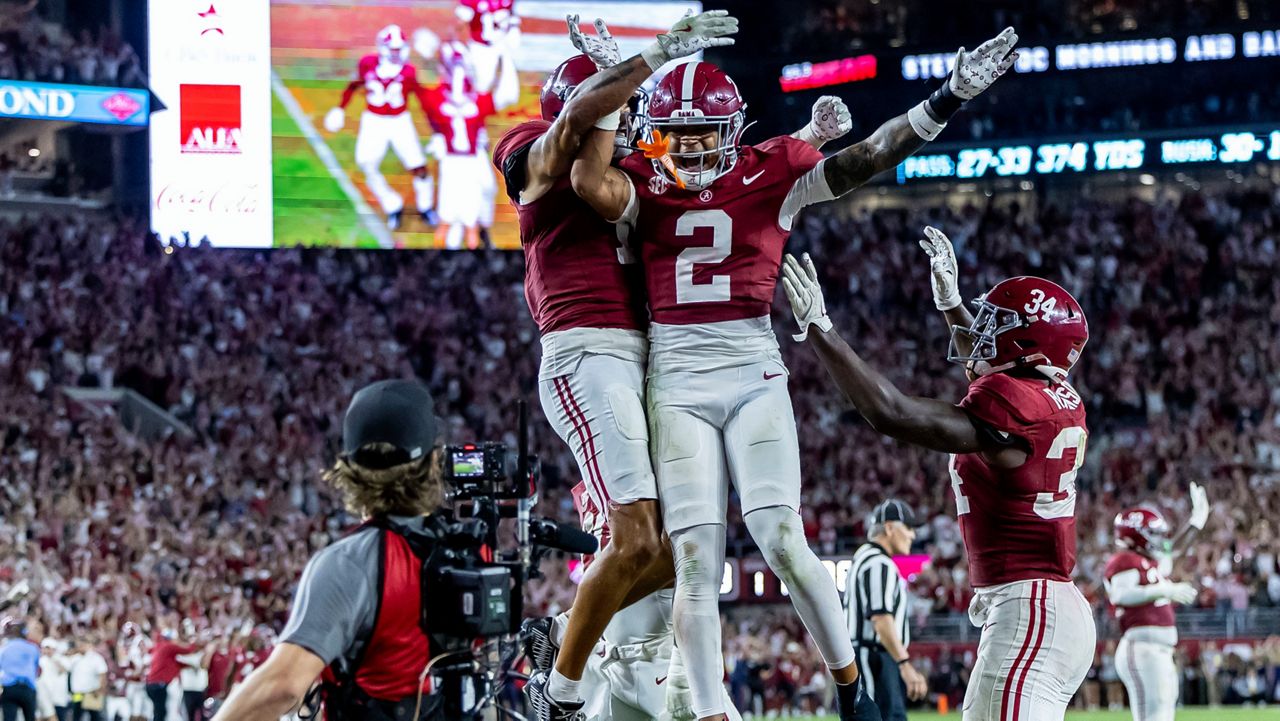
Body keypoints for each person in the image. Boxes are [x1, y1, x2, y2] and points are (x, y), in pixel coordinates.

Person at [570, 25, 1019, 721]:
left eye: (702, 135)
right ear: (655, 133)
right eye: (676, 136)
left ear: (734, 130)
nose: (688, 149)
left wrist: (947, 97)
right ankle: (714, 709)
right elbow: (585, 177)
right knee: (696, 558)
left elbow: (868, 156)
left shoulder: (771, 168)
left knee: (782, 536)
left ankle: (851, 690)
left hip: (752, 368)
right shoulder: (640, 179)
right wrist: (614, 81)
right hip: (678, 379)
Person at [489, 12, 738, 721]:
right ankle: (554, 691)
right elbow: (571, 135)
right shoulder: (537, 152)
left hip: (651, 363)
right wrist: (638, 65)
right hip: (586, 348)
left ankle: (566, 642)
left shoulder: (638, 174)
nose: (626, 129)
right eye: (616, 112)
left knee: (686, 547)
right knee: (634, 535)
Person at [777, 225, 1095, 721]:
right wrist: (951, 306)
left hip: (1030, 606)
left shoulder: (1016, 405)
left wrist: (820, 328)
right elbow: (992, 363)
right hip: (1045, 607)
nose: (983, 331)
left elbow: (893, 413)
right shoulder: (1051, 398)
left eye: (998, 324)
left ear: (1029, 343)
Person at [211, 379, 450, 721]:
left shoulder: (349, 563)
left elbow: (283, 687)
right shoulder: (470, 553)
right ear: (434, 462)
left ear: (349, 469)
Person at [1104, 487, 1211, 721]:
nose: (1160, 539)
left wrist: (1196, 522)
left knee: (1163, 713)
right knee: (1152, 716)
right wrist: (1164, 589)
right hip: (1142, 646)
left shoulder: (1145, 562)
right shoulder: (1125, 559)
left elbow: (1175, 549)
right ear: (1138, 534)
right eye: (1155, 533)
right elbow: (1121, 595)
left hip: (1157, 649)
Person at [323, 25, 436, 231]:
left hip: (400, 120)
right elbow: (355, 84)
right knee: (366, 163)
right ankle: (392, 205)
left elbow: (423, 100)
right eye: (393, 49)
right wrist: (340, 108)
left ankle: (426, 206)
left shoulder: (409, 71)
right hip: (373, 120)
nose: (397, 53)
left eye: (399, 48)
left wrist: (437, 131)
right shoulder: (367, 64)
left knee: (418, 166)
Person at [847, 501, 927, 721]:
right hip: (874, 658)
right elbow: (881, 619)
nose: (912, 535)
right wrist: (904, 664)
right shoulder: (878, 563)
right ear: (890, 527)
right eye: (908, 527)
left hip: (870, 657)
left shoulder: (864, 557)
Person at [143, 629, 194, 721]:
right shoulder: (168, 646)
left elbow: (172, 663)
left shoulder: (158, 646)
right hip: (158, 685)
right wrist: (196, 642)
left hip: (150, 684)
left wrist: (189, 666)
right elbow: (188, 650)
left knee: (159, 711)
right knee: (162, 713)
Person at [0, 618, 39, 721]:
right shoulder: (33, 648)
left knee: (9, 719)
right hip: (27, 688)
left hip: (9, 688)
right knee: (30, 718)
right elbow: (36, 669)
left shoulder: (4, 648)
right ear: (24, 632)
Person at [68, 636, 108, 721]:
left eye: (82, 645)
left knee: (95, 716)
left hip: (91, 693)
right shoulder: (75, 658)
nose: (80, 647)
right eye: (78, 645)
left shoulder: (96, 658)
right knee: (76, 715)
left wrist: (101, 688)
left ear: (87, 645)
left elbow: (102, 674)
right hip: (77, 693)